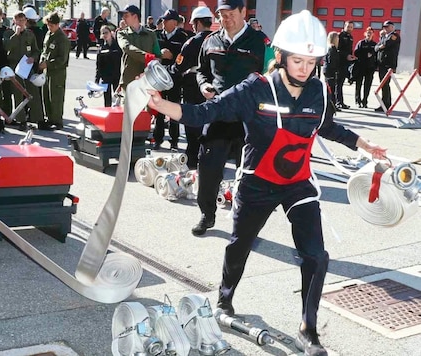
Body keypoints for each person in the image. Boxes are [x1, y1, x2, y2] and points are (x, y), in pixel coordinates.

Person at [146, 10, 387, 355]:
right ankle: (225, 299)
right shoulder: (255, 88)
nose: (304, 68)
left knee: (316, 256)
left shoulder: (318, 90)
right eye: (297, 60)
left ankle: (308, 329)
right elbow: (206, 112)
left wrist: (365, 145)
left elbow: (327, 126)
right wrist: (162, 105)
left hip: (298, 183)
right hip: (257, 182)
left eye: (311, 61)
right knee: (239, 245)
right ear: (282, 57)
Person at [191, 0, 268, 236]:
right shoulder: (211, 40)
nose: (226, 19)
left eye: (231, 13)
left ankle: (246, 220)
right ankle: (207, 214)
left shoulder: (260, 42)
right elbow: (201, 70)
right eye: (222, 14)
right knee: (208, 167)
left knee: (248, 172)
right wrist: (204, 85)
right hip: (217, 115)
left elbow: (271, 73)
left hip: (248, 118)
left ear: (244, 12)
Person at [166, 6, 214, 168]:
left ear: (198, 23)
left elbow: (179, 66)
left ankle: (193, 160)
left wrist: (165, 72)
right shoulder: (219, 39)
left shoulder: (192, 42)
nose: (192, 26)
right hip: (215, 87)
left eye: (194, 23)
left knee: (193, 124)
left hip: (194, 86)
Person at [154, 9, 188, 150]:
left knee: (173, 109)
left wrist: (172, 55)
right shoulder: (157, 35)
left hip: (174, 78)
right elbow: (152, 52)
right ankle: (158, 139)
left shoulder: (183, 37)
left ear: (174, 22)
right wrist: (159, 55)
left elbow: (184, 56)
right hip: (160, 77)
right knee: (159, 109)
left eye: (166, 20)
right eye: (162, 20)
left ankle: (174, 141)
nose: (163, 22)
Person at [6, 11, 44, 130]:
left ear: (26, 21)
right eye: (18, 20)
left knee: (33, 92)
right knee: (18, 93)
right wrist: (16, 35)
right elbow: (7, 47)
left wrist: (34, 57)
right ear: (14, 21)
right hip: (14, 66)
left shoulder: (29, 34)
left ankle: (38, 118)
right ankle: (21, 120)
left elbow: (36, 50)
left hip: (27, 67)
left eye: (23, 20)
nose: (21, 23)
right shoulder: (9, 33)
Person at [116, 5, 161, 92]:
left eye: (126, 16)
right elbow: (127, 47)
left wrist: (156, 60)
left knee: (148, 105)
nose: (123, 19)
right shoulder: (122, 34)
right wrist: (148, 57)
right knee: (129, 105)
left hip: (148, 80)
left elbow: (158, 55)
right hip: (129, 80)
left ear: (135, 16)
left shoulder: (151, 34)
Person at [39, 12, 70, 130]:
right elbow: (44, 50)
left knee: (56, 96)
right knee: (46, 94)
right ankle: (49, 117)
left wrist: (48, 63)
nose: (49, 27)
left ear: (57, 24)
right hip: (47, 70)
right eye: (48, 25)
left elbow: (62, 59)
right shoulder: (48, 34)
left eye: (51, 25)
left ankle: (57, 120)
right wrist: (42, 60)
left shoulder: (62, 39)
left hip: (57, 71)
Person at [374, 20, 401, 112]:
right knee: (383, 84)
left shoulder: (394, 36)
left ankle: (386, 104)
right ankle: (384, 103)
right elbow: (377, 47)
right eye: (384, 27)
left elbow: (386, 44)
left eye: (387, 27)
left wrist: (382, 39)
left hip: (388, 64)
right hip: (382, 64)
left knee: (385, 84)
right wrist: (381, 41)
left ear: (392, 27)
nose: (385, 29)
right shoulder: (384, 37)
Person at [95, 25, 122, 107]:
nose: (105, 35)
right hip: (105, 77)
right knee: (107, 98)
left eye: (106, 32)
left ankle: (117, 115)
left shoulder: (118, 46)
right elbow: (98, 66)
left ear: (111, 33)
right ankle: (107, 114)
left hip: (116, 75)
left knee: (118, 97)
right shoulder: (101, 48)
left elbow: (122, 60)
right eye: (103, 33)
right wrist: (97, 80)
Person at [353, 27, 377, 108]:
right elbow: (356, 53)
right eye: (367, 32)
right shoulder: (361, 43)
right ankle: (358, 100)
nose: (369, 34)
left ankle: (365, 101)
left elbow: (377, 55)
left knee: (367, 85)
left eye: (370, 32)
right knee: (359, 84)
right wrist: (365, 55)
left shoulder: (374, 45)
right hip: (361, 66)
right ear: (365, 34)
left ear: (373, 34)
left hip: (370, 68)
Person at [336, 21, 355, 109]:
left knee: (341, 83)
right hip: (339, 63)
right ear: (344, 26)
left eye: (351, 27)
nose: (350, 28)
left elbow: (349, 50)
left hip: (346, 64)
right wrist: (345, 55)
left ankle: (341, 102)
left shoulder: (350, 37)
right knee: (338, 83)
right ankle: (338, 102)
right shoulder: (339, 36)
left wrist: (350, 57)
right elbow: (337, 50)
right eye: (348, 27)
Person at [323, 32, 340, 107]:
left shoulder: (327, 47)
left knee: (329, 87)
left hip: (327, 69)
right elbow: (332, 61)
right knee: (331, 88)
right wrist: (336, 69)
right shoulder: (332, 48)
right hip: (330, 71)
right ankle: (331, 105)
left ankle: (331, 104)